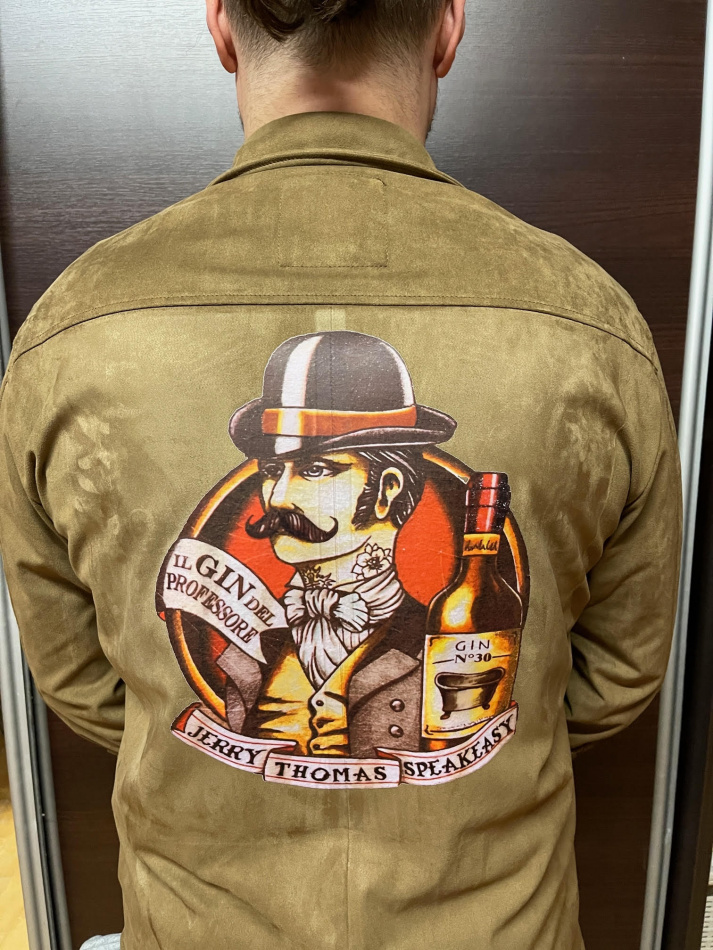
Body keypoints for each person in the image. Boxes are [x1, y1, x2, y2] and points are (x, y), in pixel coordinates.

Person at [0, 1, 682, 949]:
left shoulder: (74, 328)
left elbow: (86, 682)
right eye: (270, 471)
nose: (273, 500)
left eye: (313, 469)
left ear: (221, 27)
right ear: (447, 27)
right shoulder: (588, 323)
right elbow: (606, 683)